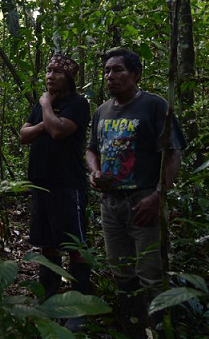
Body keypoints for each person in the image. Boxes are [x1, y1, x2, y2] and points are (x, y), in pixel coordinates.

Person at [87, 48, 186, 334]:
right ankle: (131, 327)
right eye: (106, 71)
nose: (110, 76)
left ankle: (159, 329)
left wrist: (157, 196)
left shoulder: (154, 106)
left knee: (151, 275)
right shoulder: (101, 111)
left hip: (143, 201)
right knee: (122, 272)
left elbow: (173, 154)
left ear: (136, 75)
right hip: (111, 204)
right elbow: (92, 149)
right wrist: (94, 172)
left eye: (117, 70)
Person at [19, 53, 91, 329]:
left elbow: (60, 131)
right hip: (40, 183)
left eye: (57, 73)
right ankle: (48, 301)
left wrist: (46, 106)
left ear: (70, 79)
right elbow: (24, 135)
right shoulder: (44, 105)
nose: (50, 76)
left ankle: (79, 305)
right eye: (48, 72)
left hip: (67, 184)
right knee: (47, 243)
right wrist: (45, 120)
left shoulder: (77, 104)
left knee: (73, 244)